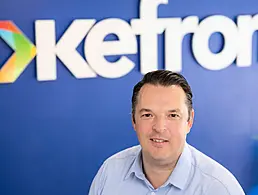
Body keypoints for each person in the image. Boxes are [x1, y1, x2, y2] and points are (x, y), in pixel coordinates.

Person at [88, 70, 245, 195]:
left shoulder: (220, 189)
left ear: (189, 121)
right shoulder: (110, 172)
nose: (159, 127)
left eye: (173, 116)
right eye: (147, 115)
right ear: (134, 121)